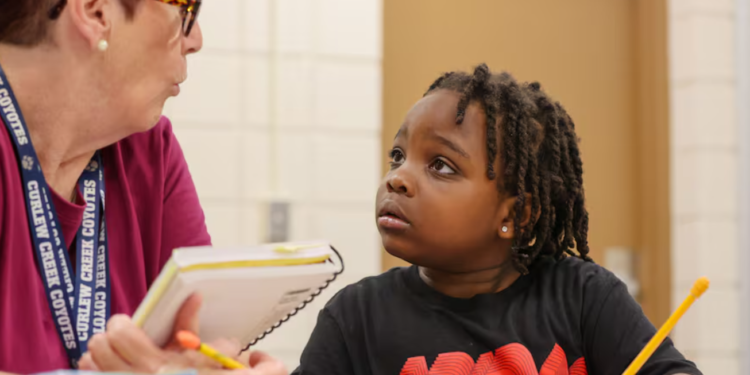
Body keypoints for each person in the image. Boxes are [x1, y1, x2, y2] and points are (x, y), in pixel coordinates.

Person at [292, 65, 702, 375]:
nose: (397, 178)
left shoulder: (582, 297)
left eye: (441, 165)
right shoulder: (356, 317)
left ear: (516, 214)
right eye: (398, 156)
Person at [0, 0, 284, 374]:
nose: (195, 39)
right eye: (187, 12)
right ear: (94, 10)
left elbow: (211, 346)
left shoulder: (150, 148)